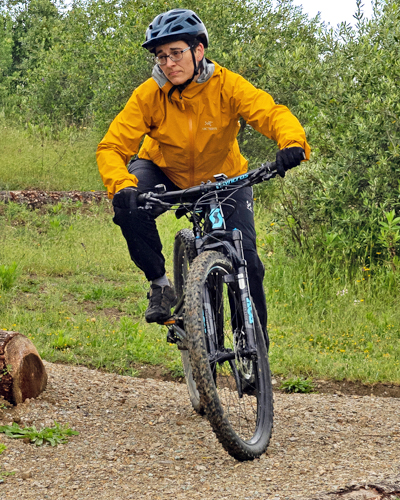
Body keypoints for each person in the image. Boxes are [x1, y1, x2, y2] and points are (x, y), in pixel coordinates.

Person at [96, 8, 310, 339]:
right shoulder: (149, 95)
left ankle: (252, 347)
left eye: (176, 53)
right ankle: (160, 284)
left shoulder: (227, 85)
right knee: (129, 206)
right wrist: (122, 185)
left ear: (199, 51)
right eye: (162, 56)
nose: (169, 63)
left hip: (224, 179)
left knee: (247, 262)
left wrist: (291, 143)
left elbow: (270, 112)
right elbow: (111, 147)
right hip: (163, 170)